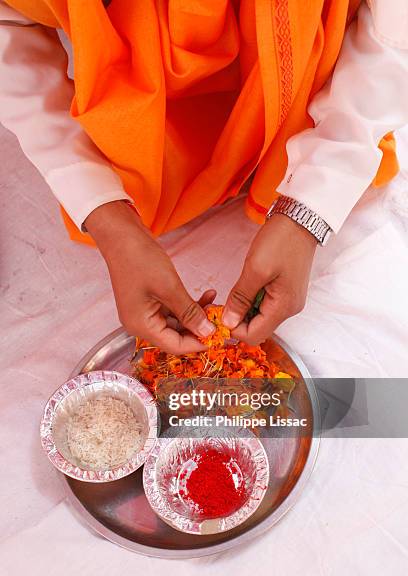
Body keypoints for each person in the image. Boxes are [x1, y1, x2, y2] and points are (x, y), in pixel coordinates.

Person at [0, 0, 407, 354]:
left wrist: (311, 209)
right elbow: (11, 29)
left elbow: (392, 31)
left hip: (308, 81)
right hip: (136, 106)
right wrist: (107, 217)